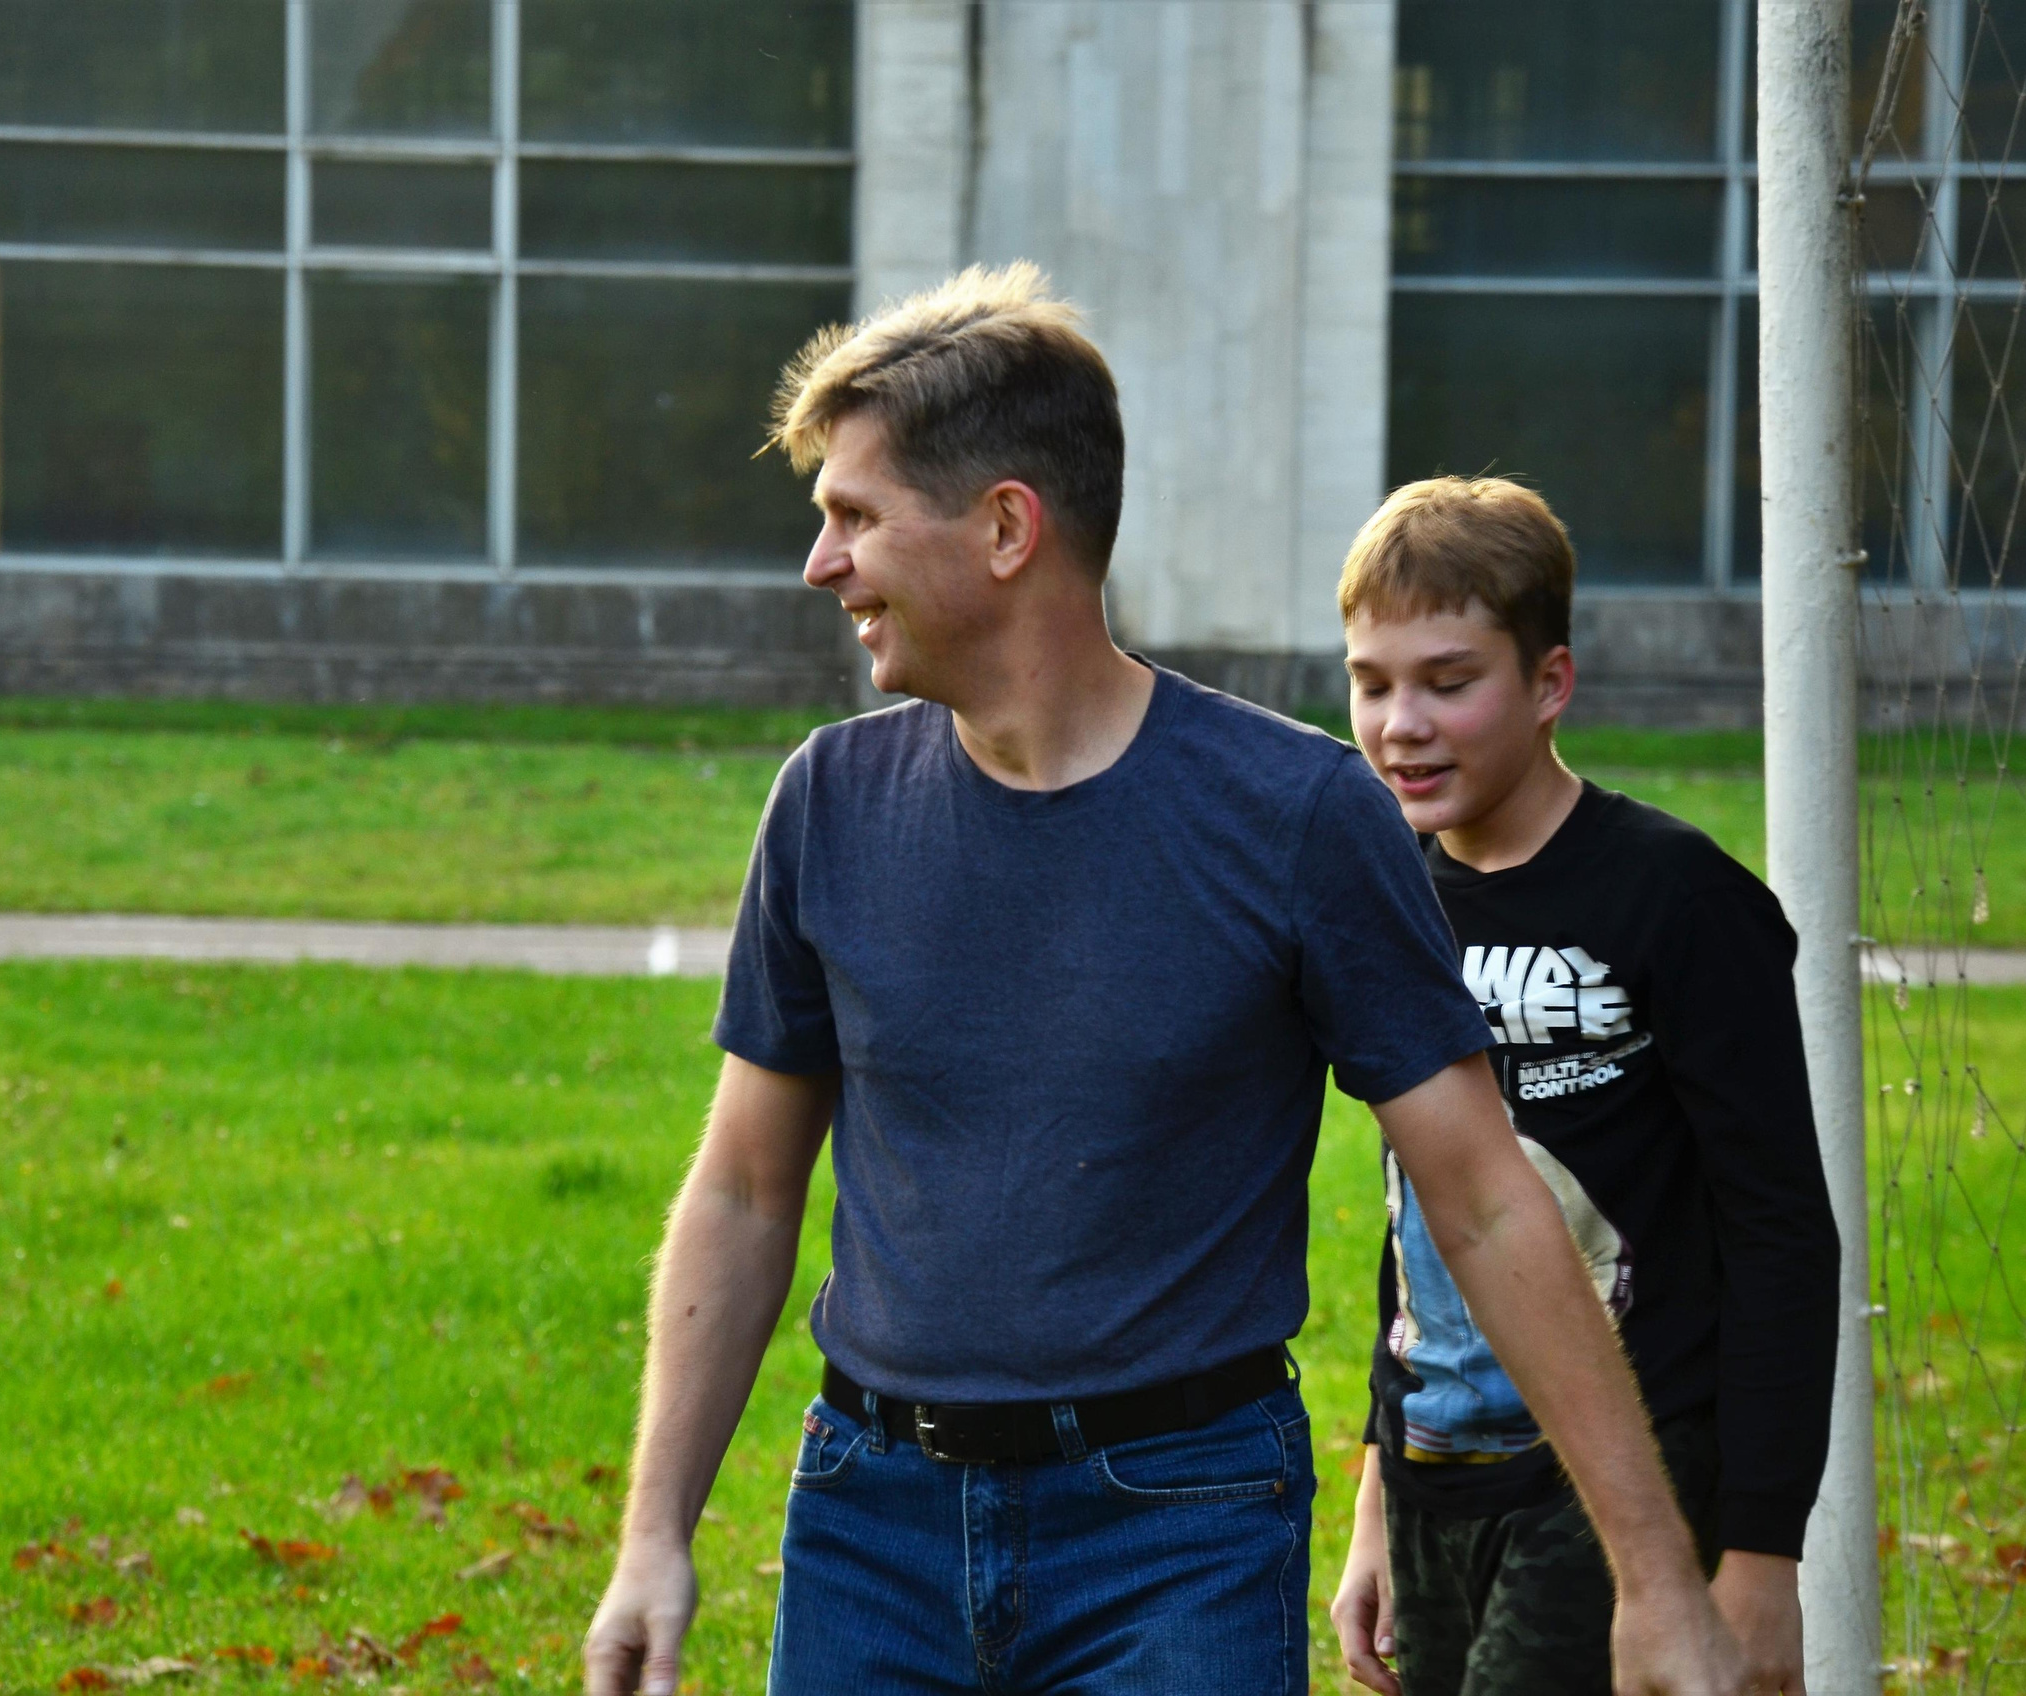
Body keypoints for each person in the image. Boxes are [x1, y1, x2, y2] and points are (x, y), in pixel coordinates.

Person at [582, 266, 1749, 1696]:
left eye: (855, 517)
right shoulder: (827, 802)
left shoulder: (1299, 818)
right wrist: (655, 1533)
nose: (821, 564)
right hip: (870, 1525)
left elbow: (1488, 1199)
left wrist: (1653, 1578)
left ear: (1008, 528)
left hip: (1178, 1535)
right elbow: (747, 1190)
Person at [1327, 477, 1842, 1696]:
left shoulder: (1681, 900)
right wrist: (1374, 1498)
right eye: (1371, 681)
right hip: (1435, 1475)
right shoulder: (1384, 898)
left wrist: (1761, 1556)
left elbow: (1780, 1233)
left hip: (1623, 1479)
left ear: (1550, 682)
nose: (1401, 722)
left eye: (1449, 682)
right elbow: (1422, 1215)